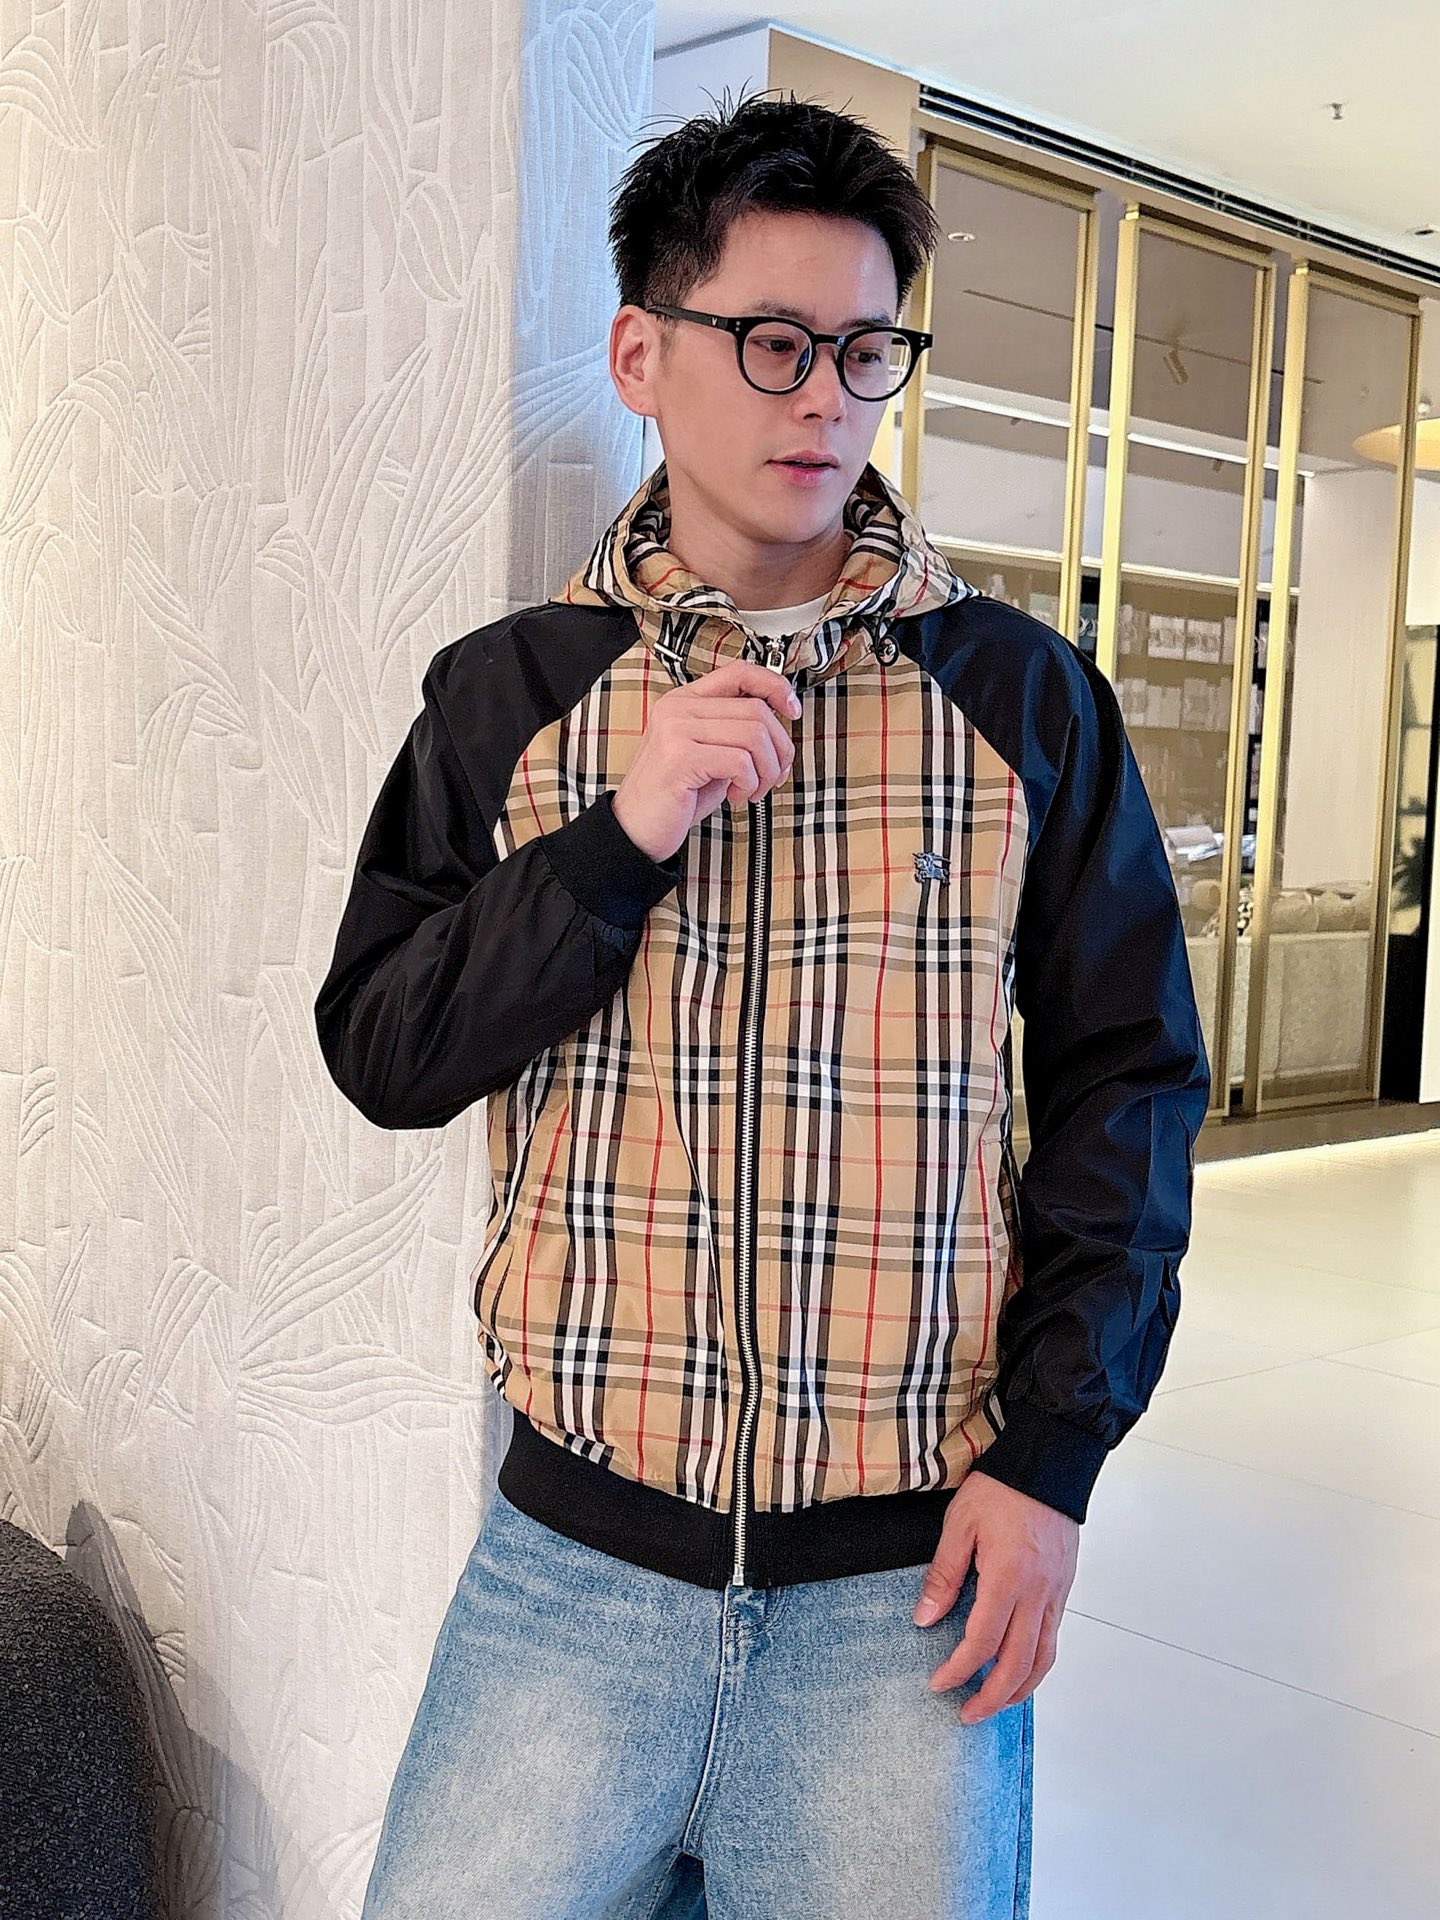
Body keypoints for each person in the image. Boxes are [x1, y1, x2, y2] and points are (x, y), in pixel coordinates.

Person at [314, 92, 1210, 1920]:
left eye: (868, 350)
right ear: (642, 355)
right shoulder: (511, 698)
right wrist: (617, 836)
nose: (828, 399)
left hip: (907, 1593)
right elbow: (387, 1048)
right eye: (775, 343)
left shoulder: (1019, 699)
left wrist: (1052, 1464)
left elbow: (1128, 1089)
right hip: (570, 1577)